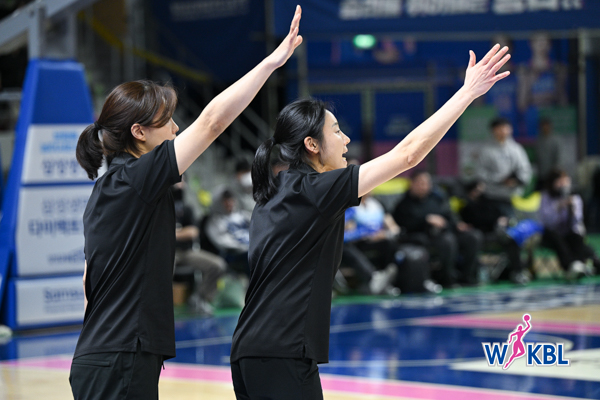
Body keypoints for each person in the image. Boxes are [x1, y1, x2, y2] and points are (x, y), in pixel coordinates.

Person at [230, 43, 511, 399]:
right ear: (312, 145)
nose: (346, 139)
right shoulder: (315, 189)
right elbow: (408, 154)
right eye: (336, 132)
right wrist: (467, 93)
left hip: (249, 350)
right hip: (282, 352)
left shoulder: (277, 192)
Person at [69, 6, 304, 399]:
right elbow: (212, 123)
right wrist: (270, 63)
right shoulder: (135, 178)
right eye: (167, 121)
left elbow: (87, 279)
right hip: (119, 359)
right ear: (138, 132)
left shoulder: (111, 188)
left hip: (108, 356)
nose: (177, 128)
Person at [392, 171, 483, 287]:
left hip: (445, 231)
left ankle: (467, 277)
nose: (424, 186)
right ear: (412, 184)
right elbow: (404, 224)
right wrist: (426, 220)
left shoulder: (436, 198)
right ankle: (447, 279)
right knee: (447, 241)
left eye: (427, 183)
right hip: (422, 235)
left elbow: (448, 214)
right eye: (421, 183)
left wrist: (457, 224)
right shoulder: (404, 204)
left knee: (473, 236)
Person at [172, 182, 227, 315]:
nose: (180, 185)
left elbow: (193, 232)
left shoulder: (187, 209)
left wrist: (172, 233)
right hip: (167, 252)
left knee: (217, 265)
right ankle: (158, 304)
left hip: (187, 252)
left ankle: (201, 298)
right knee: (162, 269)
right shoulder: (159, 207)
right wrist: (181, 233)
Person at [460, 180, 529, 285]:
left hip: (493, 232)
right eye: (477, 190)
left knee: (511, 238)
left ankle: (517, 272)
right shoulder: (467, 207)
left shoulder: (488, 202)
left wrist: (502, 219)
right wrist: (494, 220)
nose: (481, 192)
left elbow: (497, 215)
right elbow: (476, 221)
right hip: (479, 235)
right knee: (475, 238)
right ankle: (471, 276)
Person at [539, 169, 599, 279]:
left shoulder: (574, 198)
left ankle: (581, 266)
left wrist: (572, 210)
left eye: (565, 182)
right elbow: (547, 223)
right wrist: (558, 208)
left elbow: (577, 223)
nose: (563, 185)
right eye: (560, 182)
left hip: (568, 233)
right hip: (552, 234)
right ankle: (570, 266)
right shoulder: (545, 197)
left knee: (577, 238)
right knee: (557, 239)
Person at [476, 117, 532, 216]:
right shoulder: (485, 150)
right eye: (500, 128)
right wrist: (499, 179)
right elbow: (480, 172)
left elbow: (525, 169)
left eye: (506, 128)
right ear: (493, 130)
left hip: (513, 196)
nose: (503, 131)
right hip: (492, 195)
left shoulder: (516, 149)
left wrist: (517, 180)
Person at [535, 117, 561, 189]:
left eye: (547, 126)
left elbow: (558, 157)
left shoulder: (555, 140)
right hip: (541, 173)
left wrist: (555, 171)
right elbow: (537, 156)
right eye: (543, 126)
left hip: (551, 173)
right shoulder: (539, 140)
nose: (545, 128)